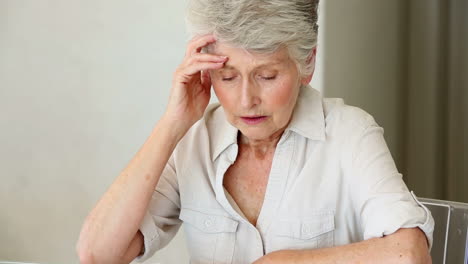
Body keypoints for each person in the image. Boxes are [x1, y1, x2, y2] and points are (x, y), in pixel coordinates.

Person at [76, 0, 434, 263]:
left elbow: (410, 252)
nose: (246, 99)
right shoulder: (194, 141)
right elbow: (97, 253)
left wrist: (289, 262)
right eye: (228, 77)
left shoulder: (348, 133)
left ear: (305, 64)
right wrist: (173, 122)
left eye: (267, 76)